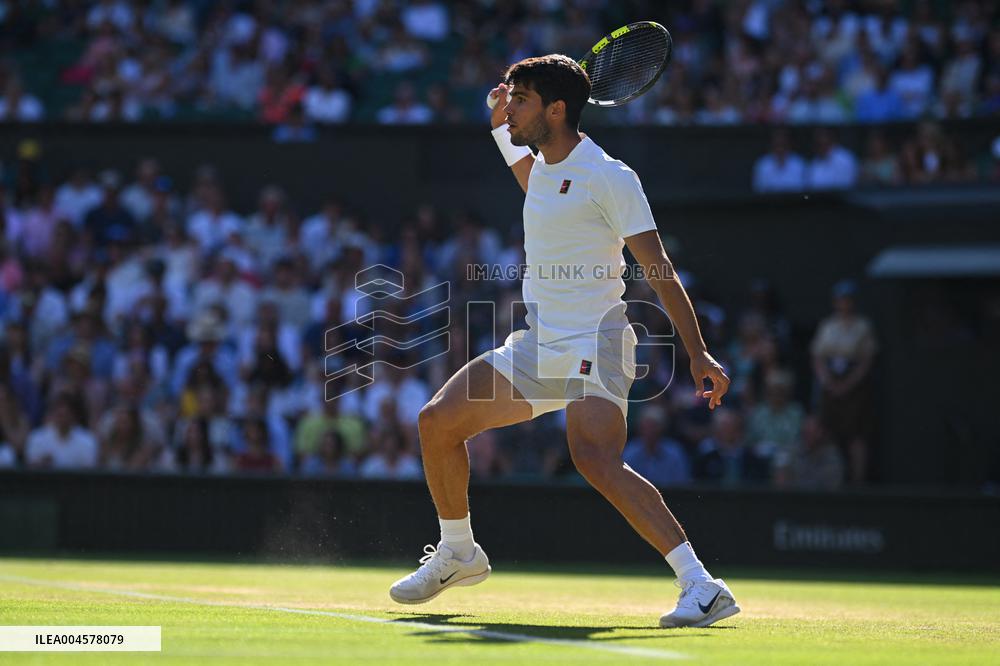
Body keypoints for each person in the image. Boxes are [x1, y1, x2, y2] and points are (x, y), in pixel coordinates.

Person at [389, 55, 739, 628]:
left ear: (555, 110)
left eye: (522, 99)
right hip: (539, 344)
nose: (511, 108)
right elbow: (528, 172)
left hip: (597, 341)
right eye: (511, 98)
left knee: (594, 457)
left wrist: (697, 351)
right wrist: (499, 119)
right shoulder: (545, 171)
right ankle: (459, 553)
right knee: (437, 422)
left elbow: (660, 269)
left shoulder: (611, 176)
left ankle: (701, 585)